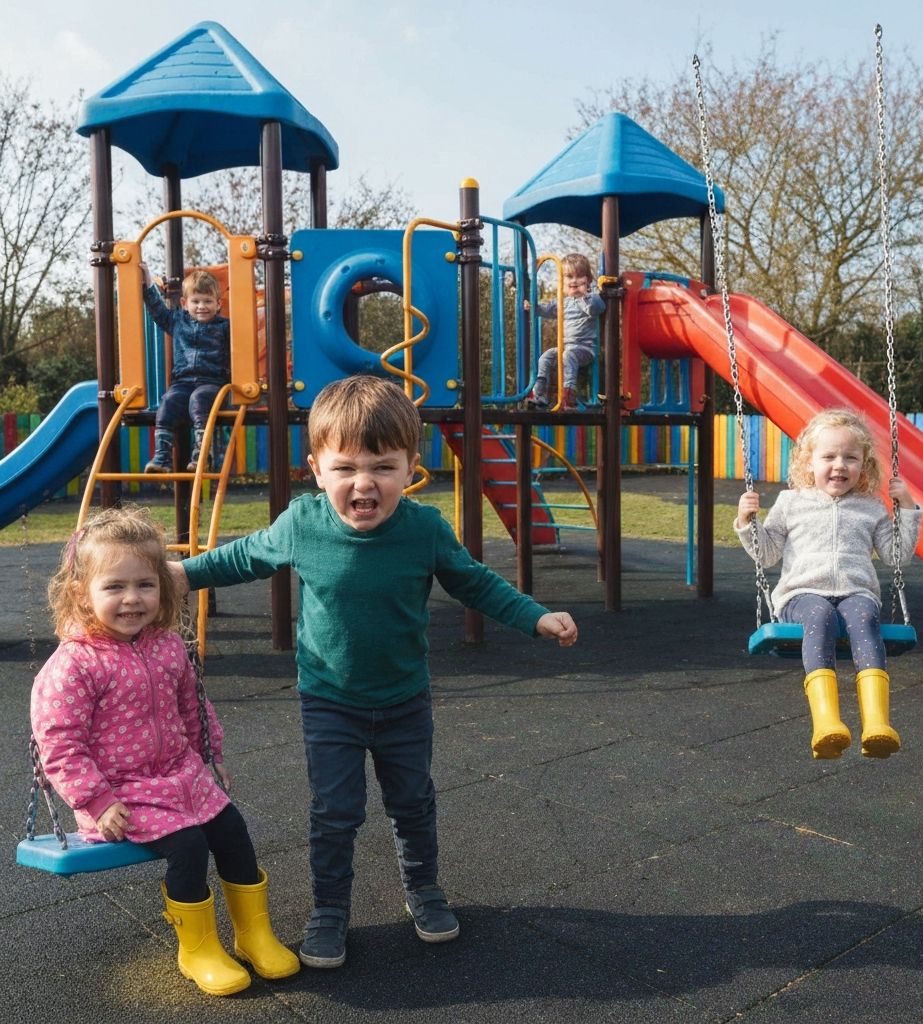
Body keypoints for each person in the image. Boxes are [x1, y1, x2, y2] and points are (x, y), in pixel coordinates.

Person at [168, 374, 579, 970]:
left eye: (384, 467)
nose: (364, 483)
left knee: (412, 801)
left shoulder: (424, 530)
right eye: (346, 469)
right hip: (329, 700)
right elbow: (245, 555)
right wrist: (185, 574)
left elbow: (475, 582)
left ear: (412, 467)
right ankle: (329, 909)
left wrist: (535, 617)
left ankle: (425, 889)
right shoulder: (302, 525)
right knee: (335, 810)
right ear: (316, 469)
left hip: (404, 699)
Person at [30, 506, 299, 997]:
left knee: (233, 830)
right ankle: (197, 949)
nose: (132, 599)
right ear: (81, 595)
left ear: (164, 588)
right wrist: (96, 801)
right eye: (115, 587)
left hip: (183, 777)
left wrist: (211, 759)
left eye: (145, 585)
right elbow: (60, 744)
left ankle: (253, 933)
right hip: (123, 797)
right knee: (188, 846)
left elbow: (194, 710)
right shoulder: (74, 664)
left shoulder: (168, 645)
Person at [734, 408, 923, 760]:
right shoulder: (791, 503)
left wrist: (907, 509)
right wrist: (748, 522)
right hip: (801, 595)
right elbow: (769, 553)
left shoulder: (871, 507)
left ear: (864, 465)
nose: (839, 465)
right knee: (818, 616)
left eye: (850, 458)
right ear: (809, 462)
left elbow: (896, 556)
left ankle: (877, 724)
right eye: (829, 457)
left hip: (855, 592)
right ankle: (826, 723)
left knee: (866, 618)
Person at [141, 266, 231, 473]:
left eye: (208, 301)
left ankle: (202, 455)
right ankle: (162, 458)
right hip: (182, 383)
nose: (202, 306)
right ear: (184, 303)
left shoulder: (225, 327)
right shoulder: (177, 321)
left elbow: (240, 348)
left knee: (198, 401)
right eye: (196, 301)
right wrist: (146, 281)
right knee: (168, 402)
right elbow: (156, 308)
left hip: (212, 383)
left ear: (218, 304)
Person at [527, 252, 605, 410]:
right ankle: (539, 395)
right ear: (563, 282)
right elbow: (546, 310)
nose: (574, 280)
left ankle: (568, 398)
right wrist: (532, 308)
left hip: (586, 349)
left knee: (568, 355)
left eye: (579, 276)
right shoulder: (563, 302)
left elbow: (596, 309)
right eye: (569, 277)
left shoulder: (592, 297)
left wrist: (584, 295)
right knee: (545, 358)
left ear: (588, 280)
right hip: (566, 348)